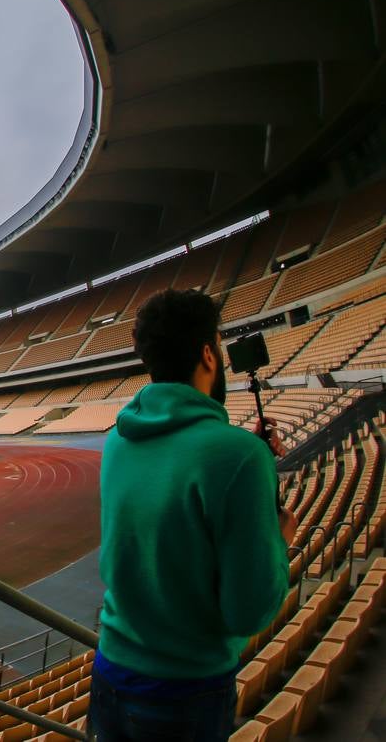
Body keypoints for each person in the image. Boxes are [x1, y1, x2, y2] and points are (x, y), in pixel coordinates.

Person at [91, 289, 295, 741]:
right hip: (186, 693)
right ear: (208, 354)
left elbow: (176, 477)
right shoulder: (238, 458)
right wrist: (282, 534)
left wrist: (247, 458)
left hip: (108, 674)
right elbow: (249, 612)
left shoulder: (117, 442)